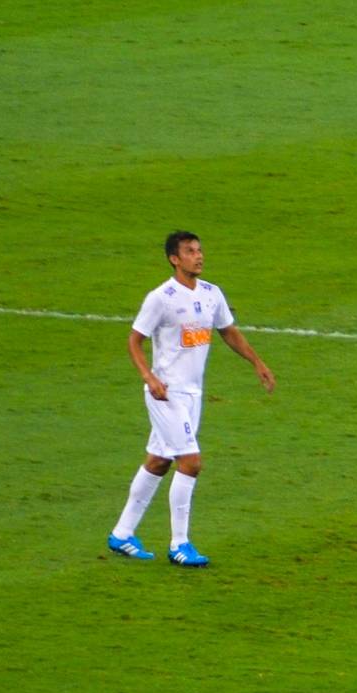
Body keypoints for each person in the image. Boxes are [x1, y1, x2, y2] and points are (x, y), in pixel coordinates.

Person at [107, 231, 276, 567]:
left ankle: (122, 534)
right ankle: (179, 544)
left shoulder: (212, 293)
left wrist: (257, 362)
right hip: (166, 393)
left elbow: (228, 331)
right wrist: (149, 377)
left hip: (193, 394)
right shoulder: (161, 298)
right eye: (190, 251)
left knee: (159, 461)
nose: (198, 256)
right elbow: (134, 340)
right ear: (174, 259)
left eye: (199, 250)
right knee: (191, 462)